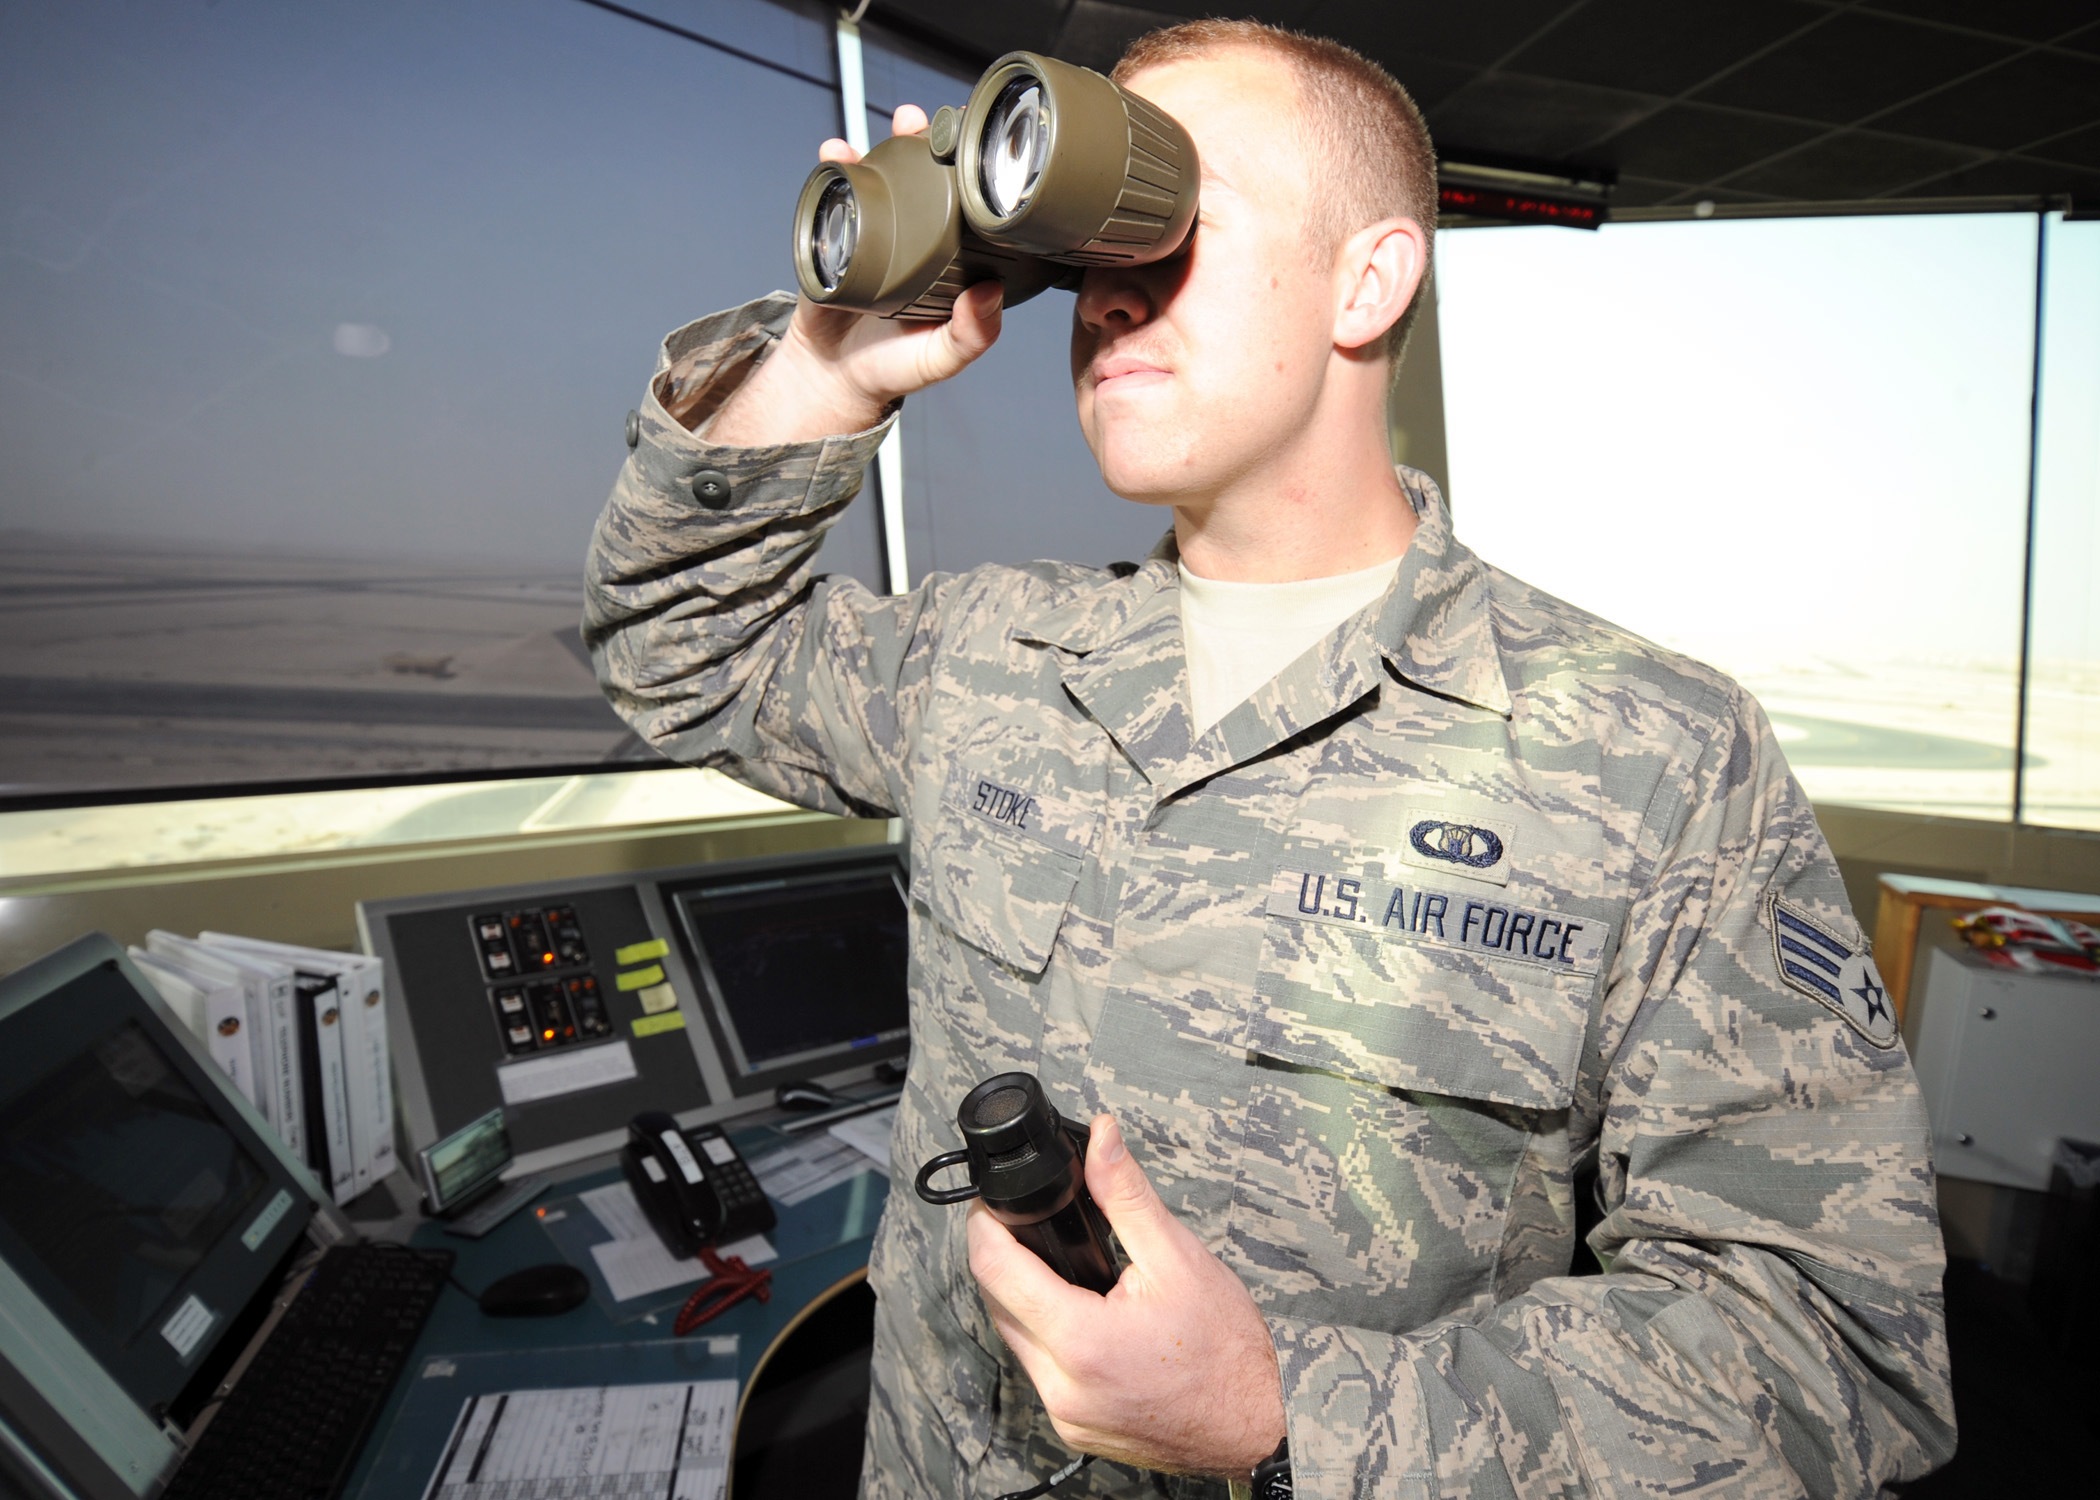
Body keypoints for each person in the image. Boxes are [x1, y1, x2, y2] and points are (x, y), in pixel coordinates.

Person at [585, 19, 1955, 1499]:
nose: (1109, 289)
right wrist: (827, 364)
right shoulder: (988, 661)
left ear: (1368, 279)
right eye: (1092, 244)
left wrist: (1287, 1412)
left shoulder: (1649, 760)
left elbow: (1829, 1348)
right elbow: (679, 654)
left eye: (1170, 218)